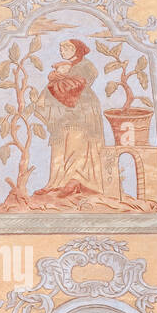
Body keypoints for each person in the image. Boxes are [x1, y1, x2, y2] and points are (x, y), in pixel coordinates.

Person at [34, 39, 106, 198]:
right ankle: (55, 183)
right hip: (62, 112)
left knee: (76, 143)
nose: (62, 51)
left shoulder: (86, 66)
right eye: (61, 48)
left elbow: (75, 85)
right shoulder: (65, 67)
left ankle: (75, 181)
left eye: (66, 48)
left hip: (81, 111)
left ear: (77, 50)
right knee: (60, 144)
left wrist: (57, 77)